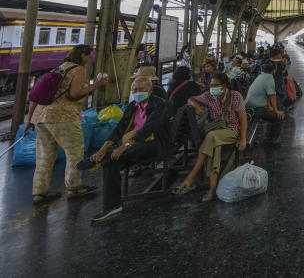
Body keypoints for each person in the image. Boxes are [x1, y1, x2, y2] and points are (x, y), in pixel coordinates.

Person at [25, 44, 108, 204]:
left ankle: (40, 192)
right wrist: (96, 86)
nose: (89, 59)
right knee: (75, 151)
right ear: (83, 55)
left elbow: (35, 97)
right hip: (62, 117)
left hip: (41, 117)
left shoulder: (58, 69)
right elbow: (74, 94)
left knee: (44, 156)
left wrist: (29, 120)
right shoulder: (78, 70)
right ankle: (75, 187)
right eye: (88, 56)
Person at [80, 76, 169, 222]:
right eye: (134, 90)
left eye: (141, 89)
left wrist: (124, 146)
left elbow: (148, 129)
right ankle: (112, 206)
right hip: (134, 143)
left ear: (150, 90)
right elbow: (120, 128)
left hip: (155, 144)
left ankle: (99, 159)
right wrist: (104, 147)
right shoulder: (132, 106)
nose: (137, 92)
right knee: (111, 162)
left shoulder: (160, 105)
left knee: (125, 151)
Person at [173, 72, 247, 201]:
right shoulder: (208, 96)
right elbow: (191, 98)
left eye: (215, 85)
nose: (212, 88)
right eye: (210, 85)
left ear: (224, 86)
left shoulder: (235, 96)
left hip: (231, 131)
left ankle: (190, 178)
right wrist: (196, 106)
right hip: (216, 133)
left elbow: (243, 119)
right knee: (214, 149)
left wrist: (243, 138)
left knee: (211, 136)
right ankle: (212, 189)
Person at [245, 60, 285, 145]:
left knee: (271, 114)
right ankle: (271, 140)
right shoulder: (269, 78)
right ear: (274, 70)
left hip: (249, 107)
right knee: (278, 117)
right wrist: (276, 110)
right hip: (255, 109)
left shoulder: (261, 76)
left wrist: (269, 107)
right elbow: (272, 95)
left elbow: (265, 94)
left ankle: (268, 136)